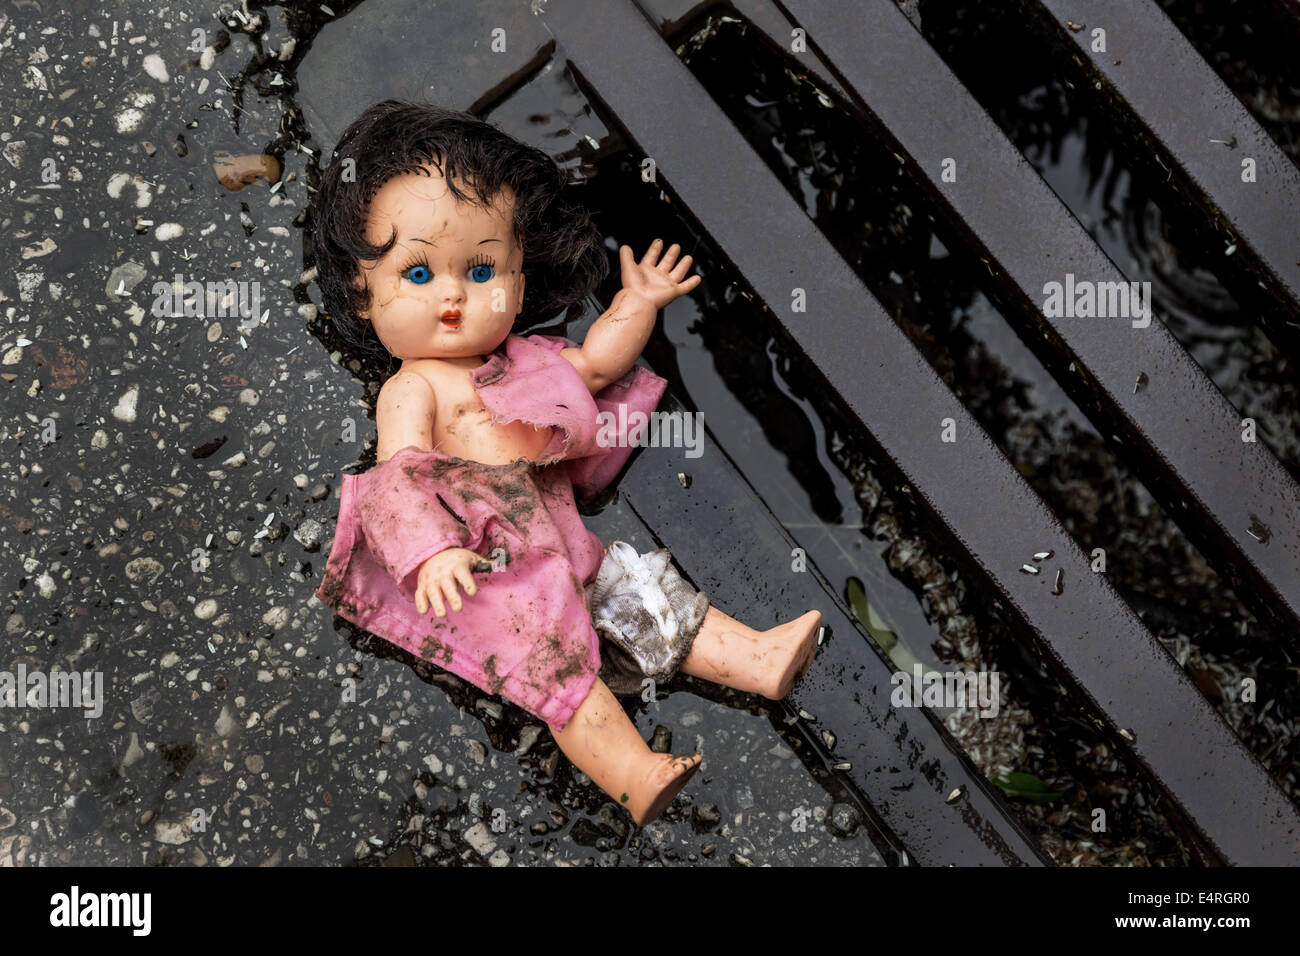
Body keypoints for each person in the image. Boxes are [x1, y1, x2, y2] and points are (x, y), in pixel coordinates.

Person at [311, 101, 822, 824]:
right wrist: (430, 557)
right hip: (492, 563)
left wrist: (638, 301)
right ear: (364, 295)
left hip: (564, 543)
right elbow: (398, 479)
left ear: (519, 283)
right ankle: (632, 772)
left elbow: (596, 364)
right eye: (419, 272)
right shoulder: (413, 386)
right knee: (556, 671)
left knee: (642, 596)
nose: (454, 295)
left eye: (482, 268)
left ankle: (757, 661)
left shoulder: (521, 363)